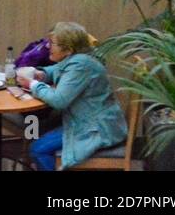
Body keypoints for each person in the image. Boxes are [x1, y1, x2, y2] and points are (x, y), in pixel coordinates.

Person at [17, 22, 128, 171]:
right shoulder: (80, 58)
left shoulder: (81, 65)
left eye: (52, 43)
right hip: (94, 120)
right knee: (40, 131)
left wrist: (32, 84)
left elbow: (59, 100)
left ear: (68, 49)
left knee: (38, 149)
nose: (48, 47)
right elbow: (56, 69)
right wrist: (40, 74)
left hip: (97, 128)